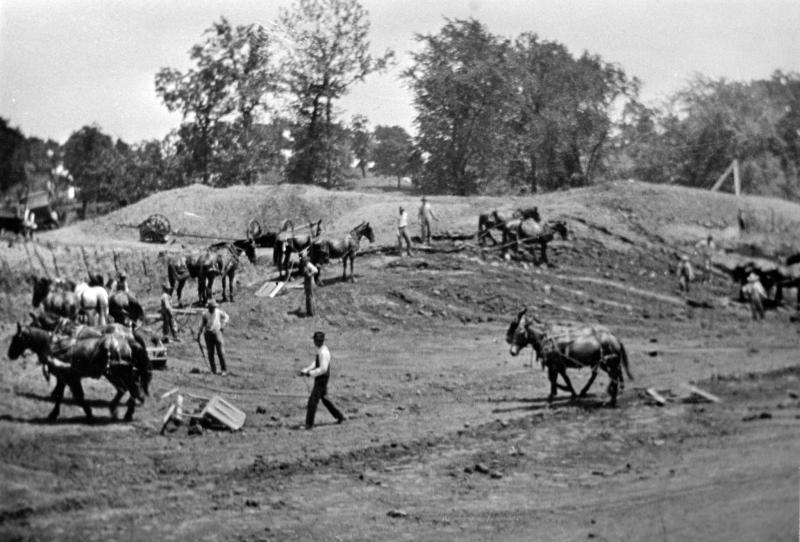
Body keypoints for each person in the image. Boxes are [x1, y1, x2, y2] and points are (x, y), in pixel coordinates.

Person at [299, 331, 345, 430]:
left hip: (322, 378)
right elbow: (316, 363)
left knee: (313, 401)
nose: (314, 342)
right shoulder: (320, 350)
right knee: (325, 399)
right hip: (321, 377)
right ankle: (340, 416)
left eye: (315, 340)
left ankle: (309, 424)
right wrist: (306, 370)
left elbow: (323, 369)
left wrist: (310, 374)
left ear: (318, 341)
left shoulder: (324, 353)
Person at [196, 299, 229, 375]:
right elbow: (201, 324)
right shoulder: (205, 314)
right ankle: (213, 370)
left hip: (217, 332)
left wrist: (223, 325)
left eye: (213, 307)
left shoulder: (218, 312)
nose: (212, 308)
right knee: (210, 353)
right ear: (209, 307)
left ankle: (224, 370)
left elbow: (226, 317)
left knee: (221, 352)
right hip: (208, 333)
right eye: (211, 307)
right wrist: (199, 334)